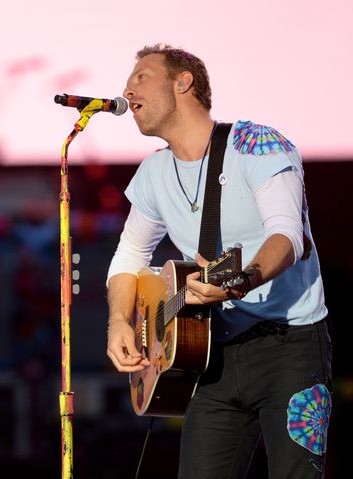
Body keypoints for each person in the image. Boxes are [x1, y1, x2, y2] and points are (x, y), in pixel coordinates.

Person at [105, 44, 331, 478]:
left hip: (290, 346)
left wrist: (243, 279)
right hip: (211, 355)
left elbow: (288, 235)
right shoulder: (153, 173)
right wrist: (119, 322)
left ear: (183, 82)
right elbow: (128, 258)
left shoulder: (256, 145)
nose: (127, 90)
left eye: (141, 78)